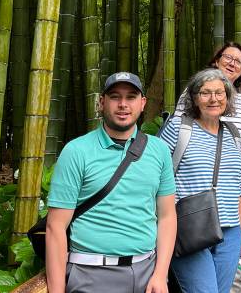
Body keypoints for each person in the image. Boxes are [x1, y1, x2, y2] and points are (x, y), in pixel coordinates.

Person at [46, 72, 176, 293]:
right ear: (101, 102)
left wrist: (160, 275)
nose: (123, 104)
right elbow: (56, 227)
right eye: (115, 97)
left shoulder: (159, 150)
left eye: (131, 97)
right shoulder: (76, 151)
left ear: (143, 103)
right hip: (91, 273)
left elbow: (167, 216)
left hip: (146, 272)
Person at [174, 43, 241, 293]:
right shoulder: (179, 129)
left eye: (220, 93)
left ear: (228, 98)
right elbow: (159, 177)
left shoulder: (233, 136)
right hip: (191, 226)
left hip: (230, 232)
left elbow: (239, 187)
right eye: (206, 93)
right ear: (194, 96)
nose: (214, 99)